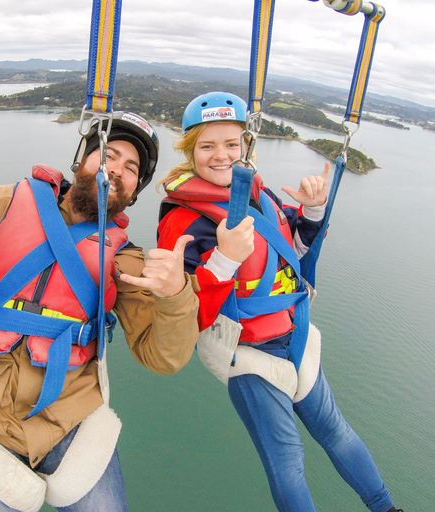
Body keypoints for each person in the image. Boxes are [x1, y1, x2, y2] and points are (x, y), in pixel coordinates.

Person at [0, 111, 199, 512]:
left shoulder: (124, 259)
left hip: (70, 414)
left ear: (133, 192)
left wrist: (177, 294)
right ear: (82, 160)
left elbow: (162, 357)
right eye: (108, 155)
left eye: (131, 169)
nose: (116, 170)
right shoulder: (5, 203)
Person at [156, 92, 403, 512]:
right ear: (190, 150)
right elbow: (186, 313)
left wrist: (313, 208)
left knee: (336, 432)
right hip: (248, 354)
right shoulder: (181, 220)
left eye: (231, 144)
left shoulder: (262, 197)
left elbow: (295, 251)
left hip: (295, 337)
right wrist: (224, 257)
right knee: (288, 462)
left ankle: (386, 507)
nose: (221, 156)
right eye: (207, 146)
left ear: (246, 146)